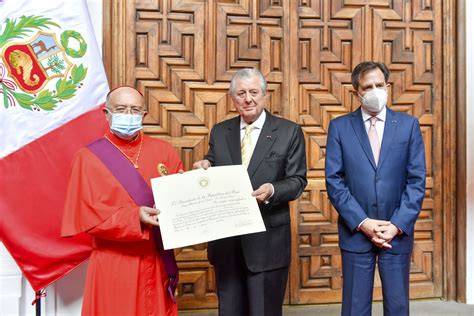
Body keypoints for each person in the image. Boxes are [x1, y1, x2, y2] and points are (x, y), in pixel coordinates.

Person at [193, 68, 307, 316]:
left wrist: (273, 189)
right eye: (241, 93)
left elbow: (298, 180)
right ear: (233, 99)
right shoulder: (221, 131)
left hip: (267, 241)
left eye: (254, 92)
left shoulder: (288, 131)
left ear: (264, 95)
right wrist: (205, 165)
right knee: (230, 311)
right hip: (227, 241)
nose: (248, 99)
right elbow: (213, 161)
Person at [61, 86, 181, 316]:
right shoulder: (87, 158)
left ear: (144, 115)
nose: (128, 115)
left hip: (157, 260)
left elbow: (179, 199)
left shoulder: (165, 151)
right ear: (106, 114)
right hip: (114, 265)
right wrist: (135, 216)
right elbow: (86, 216)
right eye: (121, 109)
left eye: (134, 109)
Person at [325, 61, 426, 316]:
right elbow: (334, 180)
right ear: (356, 93)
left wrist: (396, 224)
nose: (375, 91)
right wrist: (363, 222)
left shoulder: (408, 125)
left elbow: (416, 180)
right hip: (357, 232)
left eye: (379, 85)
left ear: (388, 87)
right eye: (367, 87)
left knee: (397, 305)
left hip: (396, 232)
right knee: (355, 307)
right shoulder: (340, 127)